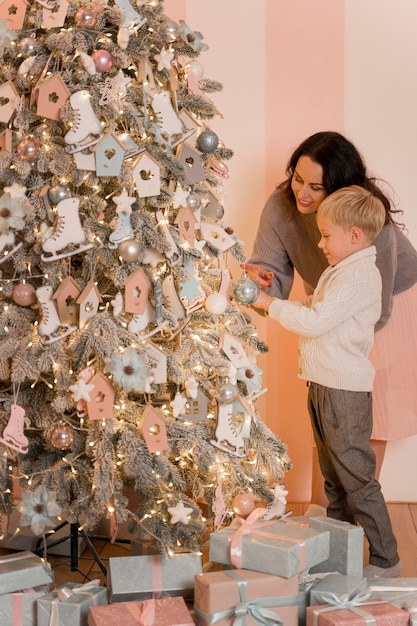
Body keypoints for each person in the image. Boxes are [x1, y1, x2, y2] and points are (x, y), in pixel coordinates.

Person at [242, 130, 417, 515]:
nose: (302, 193)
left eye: (316, 187)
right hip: (331, 307)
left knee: (367, 420)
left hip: (387, 306)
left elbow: (377, 310)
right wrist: (262, 281)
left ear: (339, 190)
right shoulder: (281, 205)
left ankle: (352, 520)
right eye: (297, 178)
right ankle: (326, 521)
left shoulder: (373, 225)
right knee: (330, 416)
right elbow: (272, 273)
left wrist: (322, 323)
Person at [251, 185, 401, 577]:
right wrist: (271, 304)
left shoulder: (358, 277)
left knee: (356, 478)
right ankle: (340, 550)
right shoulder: (342, 271)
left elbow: (316, 323)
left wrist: (270, 305)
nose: (319, 244)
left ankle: (387, 559)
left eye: (326, 235)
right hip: (322, 385)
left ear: (354, 236)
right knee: (334, 479)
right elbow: (315, 308)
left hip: (342, 391)